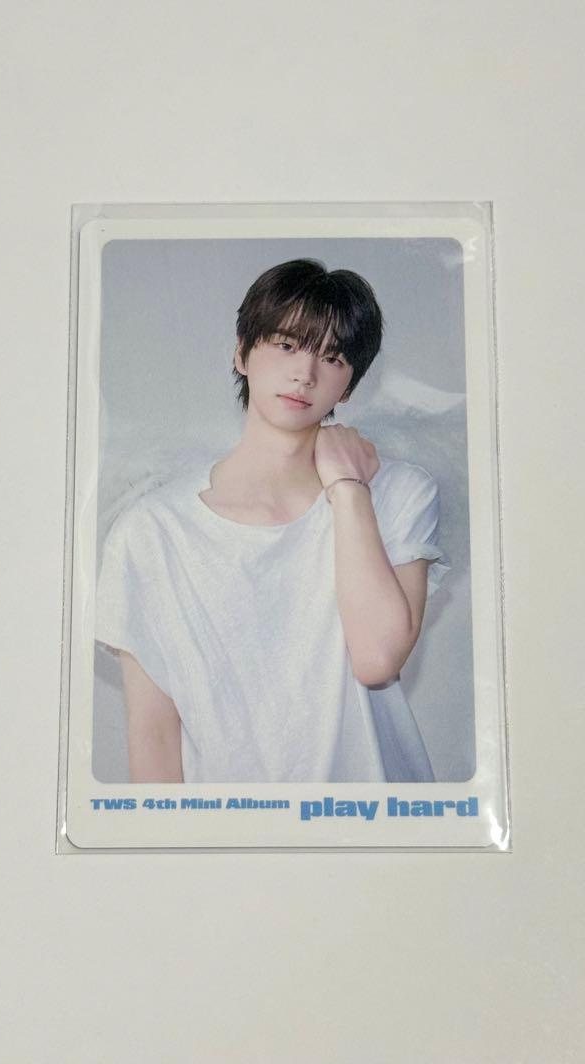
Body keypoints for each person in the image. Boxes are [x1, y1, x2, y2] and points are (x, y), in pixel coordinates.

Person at [96, 258, 448, 782]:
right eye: (286, 345)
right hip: (232, 826)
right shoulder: (153, 531)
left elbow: (377, 660)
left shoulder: (398, 493)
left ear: (349, 386)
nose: (305, 374)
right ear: (242, 352)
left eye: (332, 357)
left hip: (379, 818)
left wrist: (348, 489)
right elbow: (154, 736)